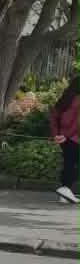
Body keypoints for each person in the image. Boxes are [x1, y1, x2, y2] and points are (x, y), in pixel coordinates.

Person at [50, 74, 80, 204]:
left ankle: (65, 193)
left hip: (63, 138)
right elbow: (77, 123)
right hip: (75, 138)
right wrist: (68, 136)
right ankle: (66, 188)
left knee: (69, 163)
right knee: (73, 165)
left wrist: (57, 134)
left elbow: (54, 116)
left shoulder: (66, 98)